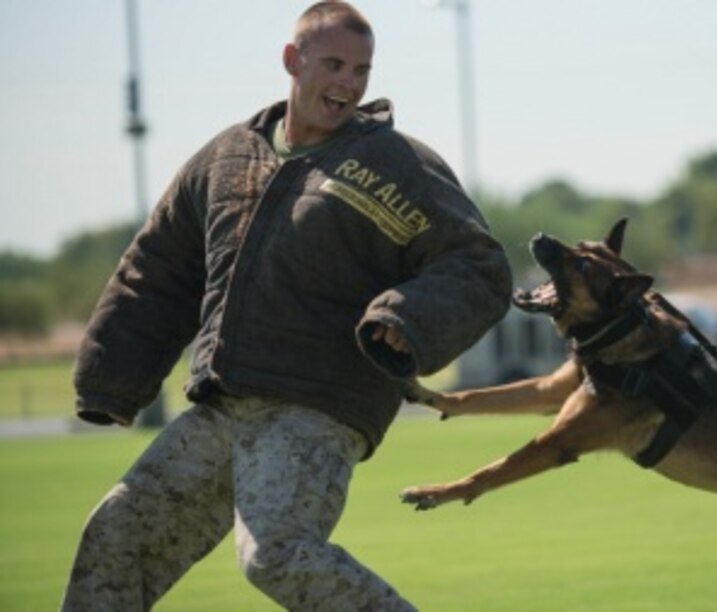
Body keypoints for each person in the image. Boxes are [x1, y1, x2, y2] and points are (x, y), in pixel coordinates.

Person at [61, 2, 512, 610]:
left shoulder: (394, 164)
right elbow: (160, 267)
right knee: (116, 533)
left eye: (362, 71)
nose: (348, 84)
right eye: (333, 64)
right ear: (292, 61)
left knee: (275, 550)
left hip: (318, 406)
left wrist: (408, 318)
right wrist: (111, 379)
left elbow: (480, 267)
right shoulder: (227, 158)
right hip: (224, 404)